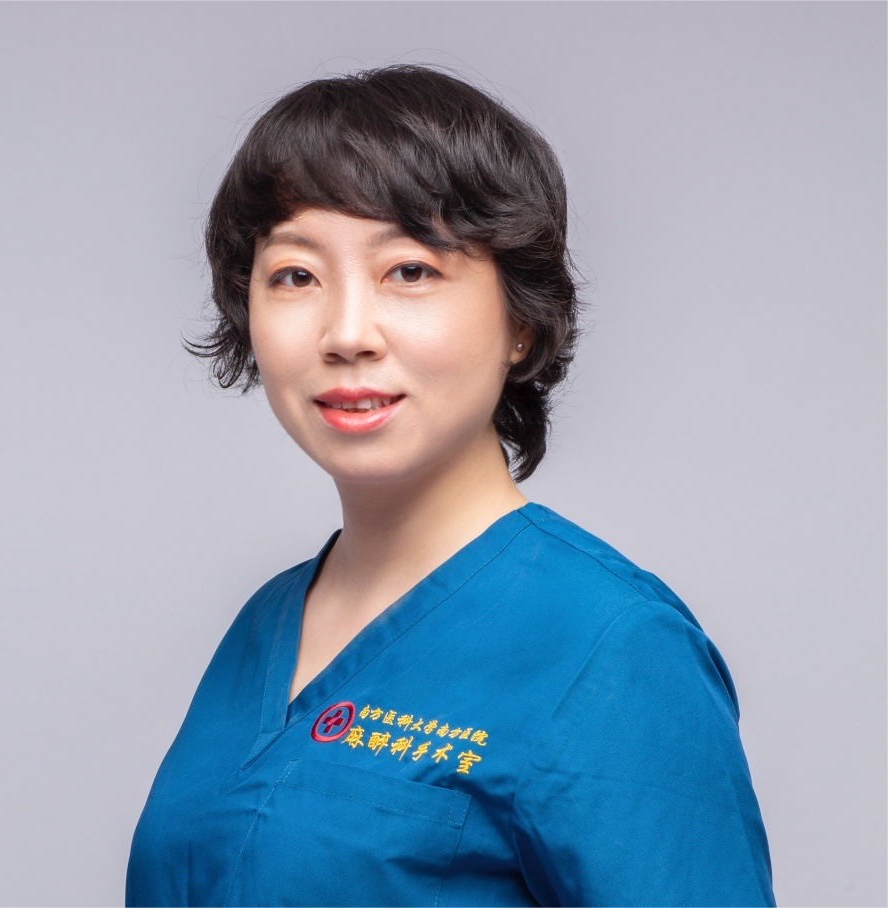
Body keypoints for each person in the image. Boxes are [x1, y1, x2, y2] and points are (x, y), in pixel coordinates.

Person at [126, 65, 776, 907]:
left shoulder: (613, 648)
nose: (346, 333)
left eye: (410, 271)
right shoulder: (262, 627)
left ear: (522, 321)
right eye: (295, 275)